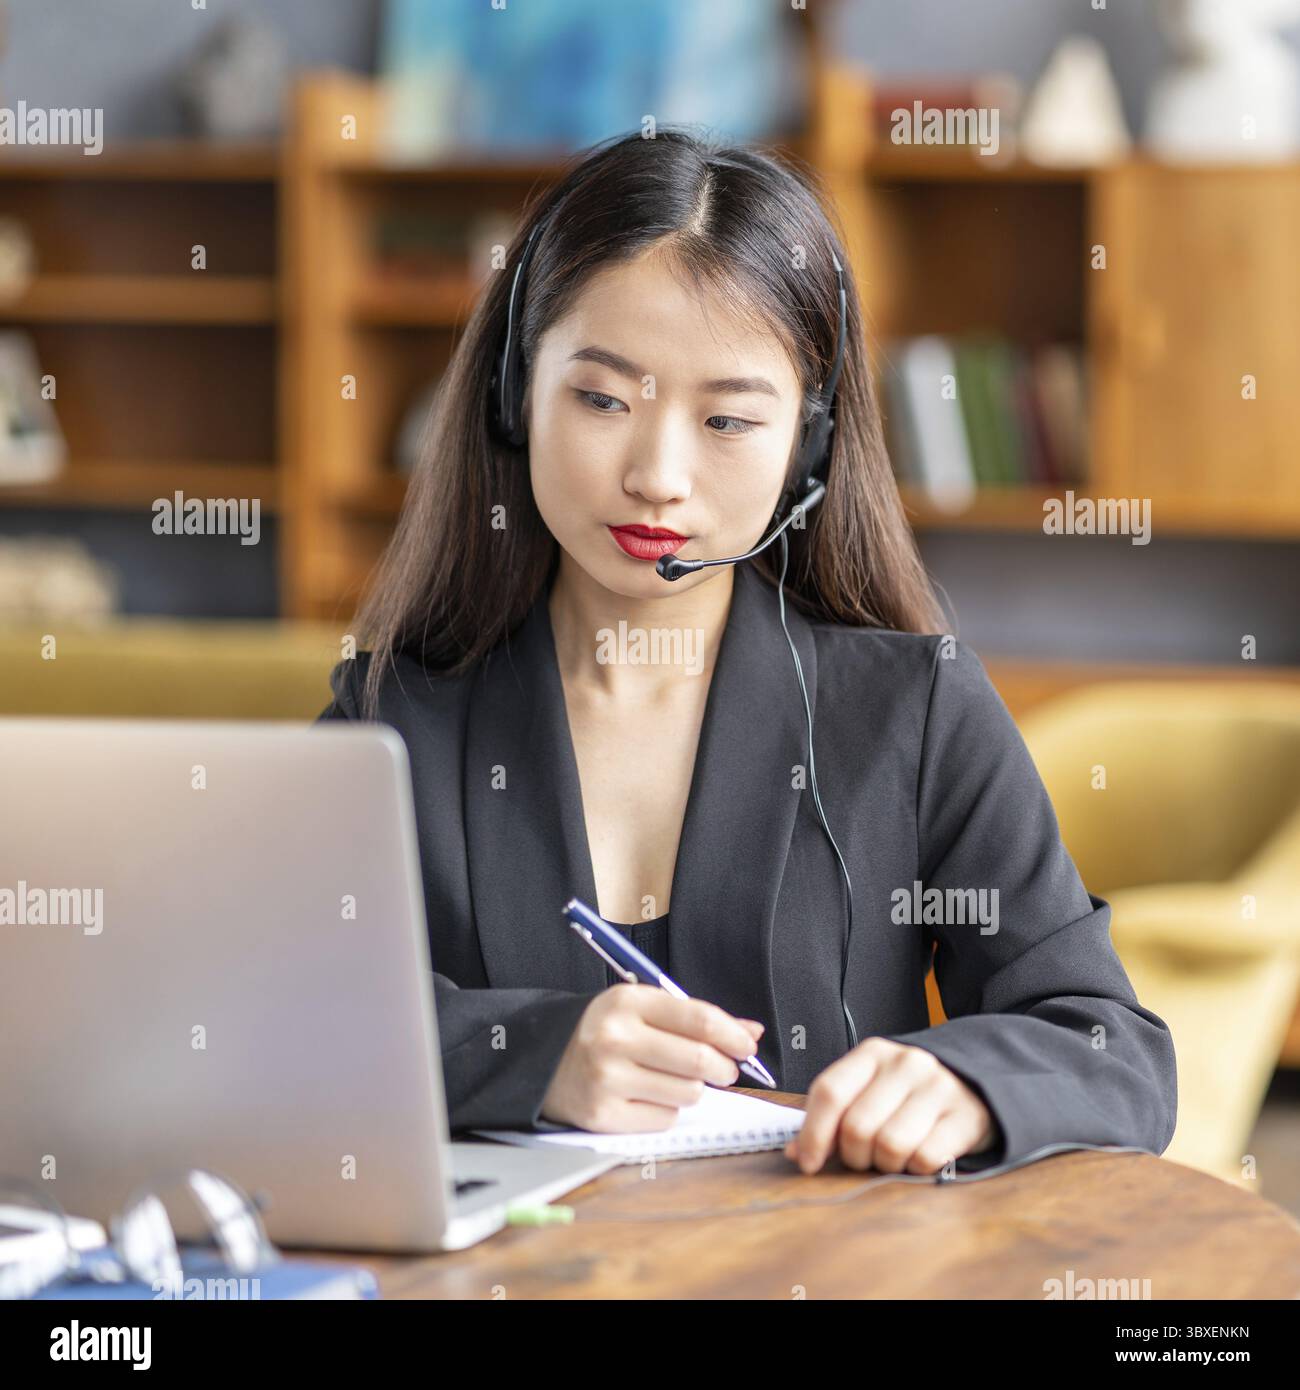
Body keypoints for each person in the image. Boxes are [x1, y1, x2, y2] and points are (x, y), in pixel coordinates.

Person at [319, 127, 1176, 1177]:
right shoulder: (390, 716)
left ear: (806, 450)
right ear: (514, 395)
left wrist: (970, 1080)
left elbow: (1114, 1048)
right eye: (600, 400)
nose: (656, 476)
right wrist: (524, 1054)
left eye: (726, 421)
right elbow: (259, 1016)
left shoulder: (912, 711)